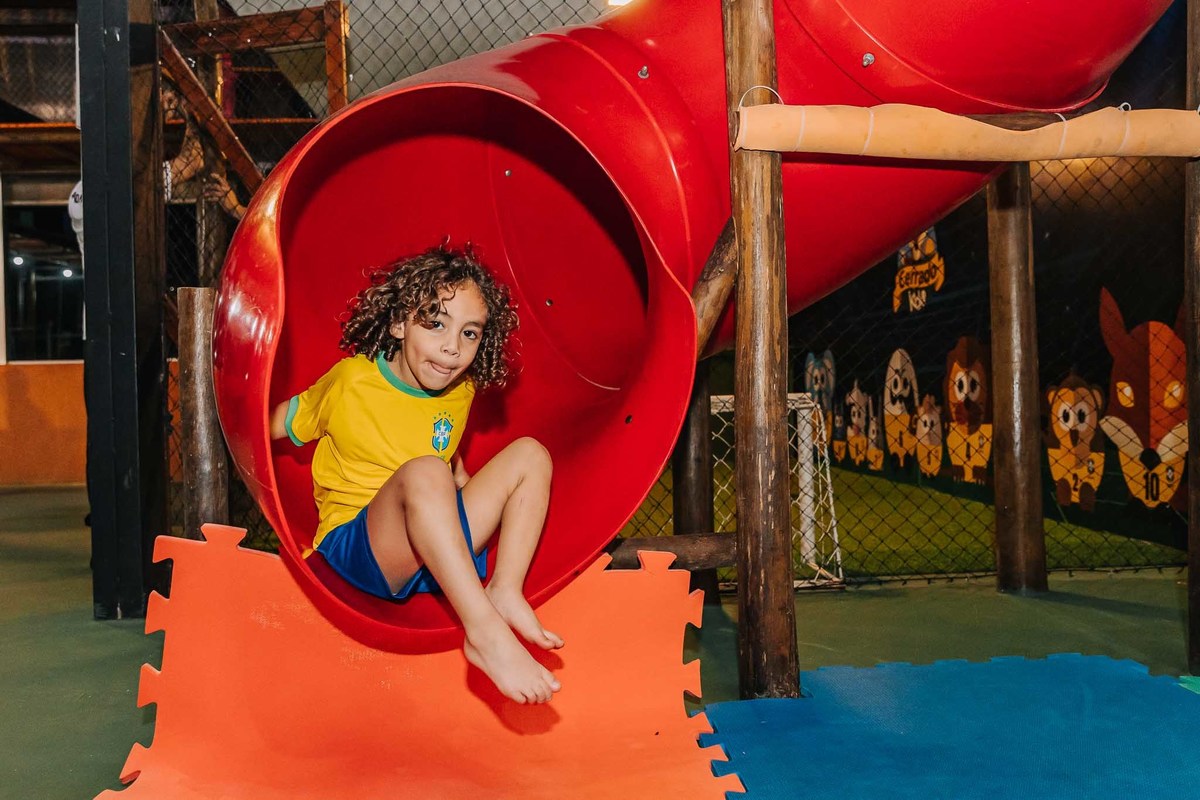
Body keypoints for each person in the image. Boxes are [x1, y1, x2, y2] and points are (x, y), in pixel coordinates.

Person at [268, 244, 563, 704]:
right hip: (358, 548)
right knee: (426, 471)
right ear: (400, 323)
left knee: (531, 455)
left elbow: (450, 461)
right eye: (436, 324)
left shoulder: (460, 392)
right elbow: (268, 424)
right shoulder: (351, 382)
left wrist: (474, 497)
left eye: (469, 333)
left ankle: (505, 590)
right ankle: (483, 630)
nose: (452, 347)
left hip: (434, 553)